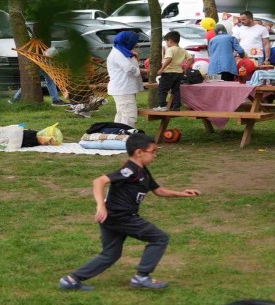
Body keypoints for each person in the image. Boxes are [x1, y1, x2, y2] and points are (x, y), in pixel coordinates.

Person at [59, 133, 201, 291]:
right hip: (121, 217)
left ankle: (71, 280)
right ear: (139, 152)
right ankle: (142, 277)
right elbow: (99, 181)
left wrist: (181, 193)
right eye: (153, 151)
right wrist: (100, 205)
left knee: (111, 254)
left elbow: (158, 190)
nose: (155, 154)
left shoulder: (143, 171)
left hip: (112, 218)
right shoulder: (129, 170)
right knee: (160, 238)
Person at [107, 31, 144, 128]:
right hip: (123, 89)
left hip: (124, 89)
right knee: (129, 116)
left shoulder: (122, 51)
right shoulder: (118, 54)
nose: (136, 44)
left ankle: (117, 134)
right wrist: (143, 71)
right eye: (134, 42)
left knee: (122, 115)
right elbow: (130, 69)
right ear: (127, 42)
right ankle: (126, 135)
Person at [154, 31, 193, 111]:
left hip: (169, 72)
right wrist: (185, 69)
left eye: (166, 42)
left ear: (170, 41)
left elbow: (169, 59)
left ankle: (162, 105)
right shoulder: (182, 50)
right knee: (176, 90)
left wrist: (162, 69)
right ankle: (176, 106)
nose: (166, 44)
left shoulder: (170, 50)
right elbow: (191, 59)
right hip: (178, 73)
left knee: (162, 89)